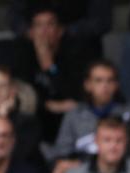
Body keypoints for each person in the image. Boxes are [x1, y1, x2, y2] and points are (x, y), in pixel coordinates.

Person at [44, 59, 130, 173]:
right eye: (98, 80)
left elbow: (125, 155)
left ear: (116, 85)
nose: (105, 86)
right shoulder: (74, 114)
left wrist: (80, 164)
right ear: (88, 85)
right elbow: (63, 151)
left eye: (110, 80)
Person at [11, 5, 91, 142]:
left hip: (66, 119)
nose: (44, 31)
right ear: (31, 32)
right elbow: (20, 92)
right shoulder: (22, 55)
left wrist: (50, 67)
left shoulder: (75, 55)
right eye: (38, 25)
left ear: (60, 31)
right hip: (36, 118)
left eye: (50, 24)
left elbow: (76, 94)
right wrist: (47, 105)